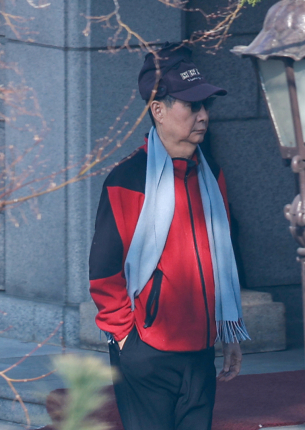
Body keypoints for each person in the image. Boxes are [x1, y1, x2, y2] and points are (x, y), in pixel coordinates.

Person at [88, 43, 250, 430]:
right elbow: (103, 271)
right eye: (192, 106)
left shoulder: (211, 174)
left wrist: (228, 332)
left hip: (200, 352)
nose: (203, 115)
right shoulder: (127, 180)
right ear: (158, 110)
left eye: (205, 105)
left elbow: (224, 258)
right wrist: (126, 338)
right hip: (145, 350)